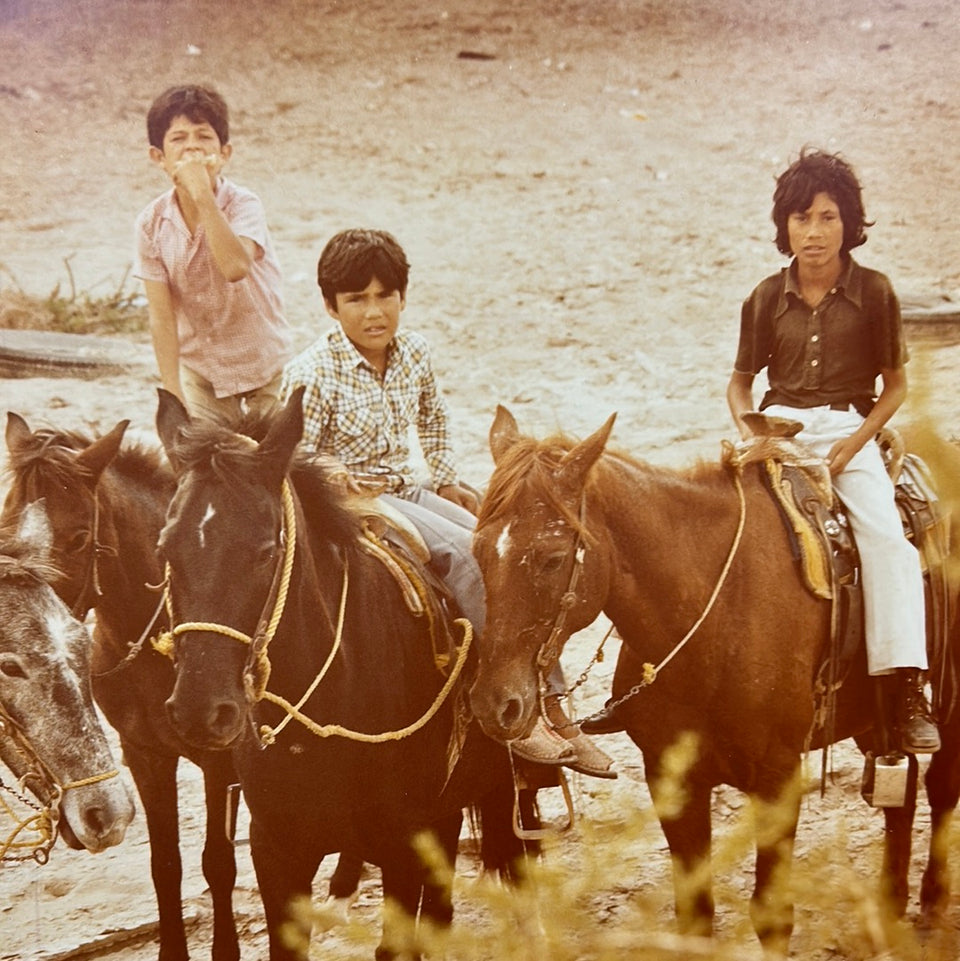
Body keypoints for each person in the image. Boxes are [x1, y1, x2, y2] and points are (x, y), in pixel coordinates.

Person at [584, 148, 939, 755]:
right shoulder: (765, 297)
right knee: (706, 530)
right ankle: (649, 682)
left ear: (849, 223)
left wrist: (854, 447)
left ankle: (904, 687)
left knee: (886, 541)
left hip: (848, 431)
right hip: (776, 429)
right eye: (801, 218)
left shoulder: (876, 292)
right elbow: (740, 380)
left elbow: (895, 385)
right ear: (785, 227)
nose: (815, 232)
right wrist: (753, 432)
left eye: (828, 217)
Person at [281, 227, 616, 778]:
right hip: (354, 504)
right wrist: (334, 477)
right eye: (356, 300)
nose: (373, 312)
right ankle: (518, 705)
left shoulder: (413, 352)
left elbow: (434, 418)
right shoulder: (312, 371)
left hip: (406, 486)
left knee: (498, 546)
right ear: (329, 306)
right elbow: (294, 454)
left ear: (402, 298)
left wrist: (443, 478)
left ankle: (554, 703)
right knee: (466, 558)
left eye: (385, 296)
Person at [134, 84, 293, 422]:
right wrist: (172, 392)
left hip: (263, 365)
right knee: (203, 463)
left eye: (204, 137)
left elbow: (235, 266)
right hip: (204, 372)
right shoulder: (151, 224)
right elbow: (161, 318)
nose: (192, 146)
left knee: (271, 464)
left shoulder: (244, 204)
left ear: (224, 153)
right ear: (159, 158)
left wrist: (203, 197)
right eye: (178, 139)